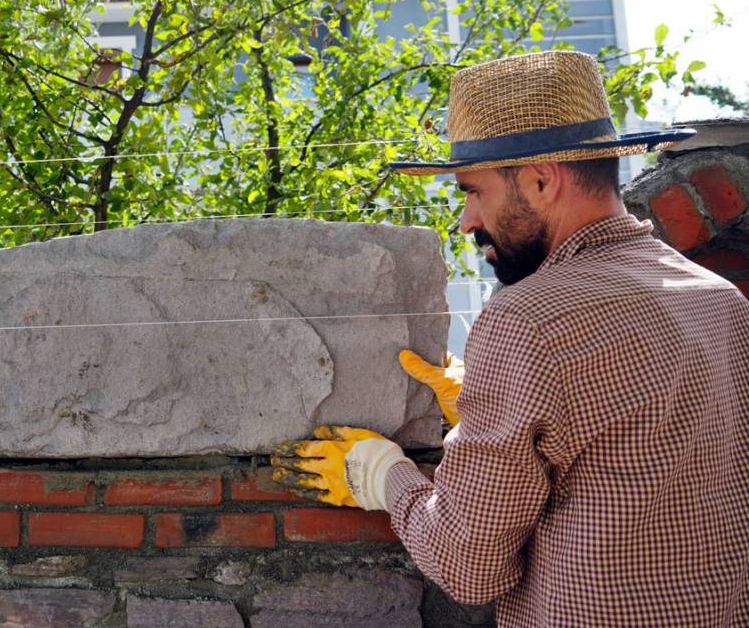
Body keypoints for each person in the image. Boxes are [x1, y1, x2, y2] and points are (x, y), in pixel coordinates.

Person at [271, 51, 749, 627]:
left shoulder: (527, 320)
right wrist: (487, 413)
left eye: (475, 192)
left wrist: (380, 474)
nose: (467, 221)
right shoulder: (717, 298)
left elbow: (467, 566)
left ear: (541, 181)